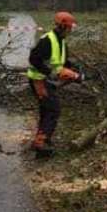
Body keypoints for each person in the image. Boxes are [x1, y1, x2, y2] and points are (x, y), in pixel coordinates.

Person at [27, 11, 82, 157]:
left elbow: (61, 61)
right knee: (53, 109)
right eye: (69, 28)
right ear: (63, 26)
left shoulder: (61, 41)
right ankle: (41, 144)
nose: (70, 31)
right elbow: (34, 59)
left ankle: (42, 139)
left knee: (47, 110)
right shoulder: (48, 40)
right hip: (39, 80)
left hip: (47, 80)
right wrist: (48, 72)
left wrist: (73, 67)